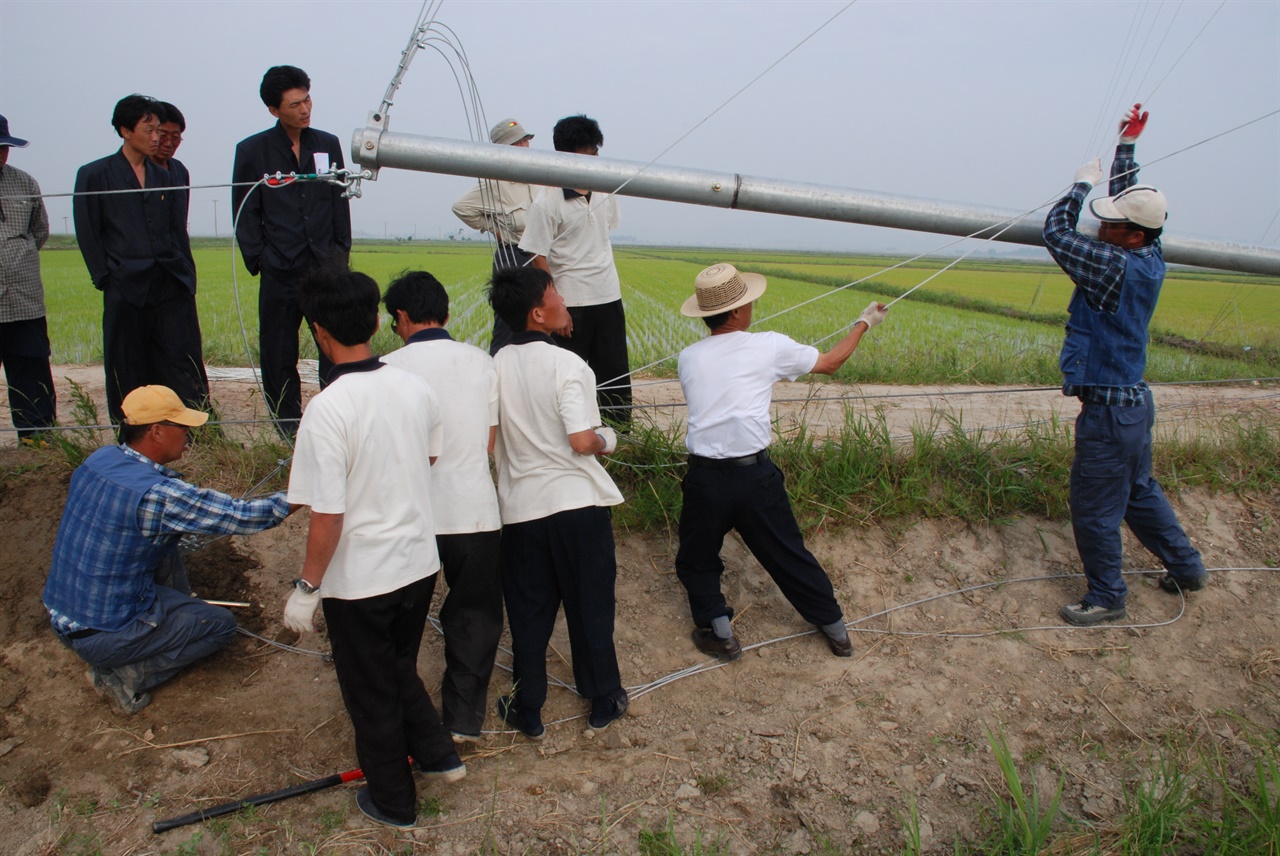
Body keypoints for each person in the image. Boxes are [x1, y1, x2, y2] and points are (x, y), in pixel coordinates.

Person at [282, 264, 463, 829]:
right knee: (395, 669)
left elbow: (326, 515)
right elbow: (429, 457)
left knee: (371, 693)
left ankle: (393, 802)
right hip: (417, 564)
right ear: (378, 323)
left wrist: (307, 588)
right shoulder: (414, 387)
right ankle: (437, 755)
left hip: (361, 578)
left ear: (318, 331)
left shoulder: (327, 409)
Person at [1043, 104, 1208, 626]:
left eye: (1113, 224)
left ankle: (1107, 597)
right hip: (1134, 406)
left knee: (1094, 507)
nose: (1103, 225)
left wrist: (1077, 189)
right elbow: (1133, 202)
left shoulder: (1112, 264)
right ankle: (1186, 567)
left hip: (1110, 417)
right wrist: (1127, 147)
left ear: (1134, 236)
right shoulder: (1149, 255)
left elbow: (1057, 232)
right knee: (1139, 491)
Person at [674, 263, 888, 660]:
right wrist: (864, 323)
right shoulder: (768, 345)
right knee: (788, 553)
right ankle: (836, 630)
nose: (753, 307)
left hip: (705, 478)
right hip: (754, 476)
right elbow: (830, 362)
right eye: (748, 302)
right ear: (738, 312)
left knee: (697, 557)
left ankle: (720, 633)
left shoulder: (688, 357)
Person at [42, 385, 292, 714]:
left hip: (64, 615)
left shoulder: (99, 460)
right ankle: (128, 676)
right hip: (104, 634)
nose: (189, 435)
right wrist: (310, 490)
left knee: (167, 545)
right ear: (157, 432)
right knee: (219, 625)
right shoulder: (157, 495)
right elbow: (247, 516)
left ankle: (162, 622)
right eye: (182, 427)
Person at [488, 265, 628, 739]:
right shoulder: (569, 365)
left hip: (522, 511)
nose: (563, 299)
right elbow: (581, 439)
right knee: (590, 605)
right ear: (537, 313)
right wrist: (609, 438)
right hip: (577, 508)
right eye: (555, 293)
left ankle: (528, 707)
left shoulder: (495, 365)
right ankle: (603, 697)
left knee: (528, 614)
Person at [381, 270, 503, 744]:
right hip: (473, 511)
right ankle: (463, 721)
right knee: (474, 616)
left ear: (401, 318)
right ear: (448, 314)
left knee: (399, 623)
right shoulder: (481, 362)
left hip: (409, 514)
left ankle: (399, 719)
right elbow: (489, 440)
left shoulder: (387, 368)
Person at [232, 65, 352, 437]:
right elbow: (245, 210)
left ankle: (337, 423)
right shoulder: (252, 151)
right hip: (279, 269)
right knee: (278, 352)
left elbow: (339, 200)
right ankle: (288, 430)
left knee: (336, 348)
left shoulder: (327, 143)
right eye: (295, 104)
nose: (305, 109)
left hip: (325, 268)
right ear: (274, 110)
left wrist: (339, 253)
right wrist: (260, 258)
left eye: (307, 100)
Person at [74, 94, 208, 425]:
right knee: (127, 364)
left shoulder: (166, 177)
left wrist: (185, 276)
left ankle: (189, 430)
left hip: (169, 283)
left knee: (179, 360)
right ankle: (131, 433)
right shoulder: (95, 175)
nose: (155, 138)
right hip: (125, 285)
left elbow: (177, 230)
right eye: (148, 130)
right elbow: (88, 231)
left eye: (157, 130)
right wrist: (105, 277)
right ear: (124, 130)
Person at [518, 114, 631, 427]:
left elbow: (605, 230)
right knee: (571, 380)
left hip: (609, 296)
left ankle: (620, 442)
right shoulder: (547, 200)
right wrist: (559, 307)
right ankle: (574, 442)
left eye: (595, 155)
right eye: (585, 156)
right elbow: (536, 255)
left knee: (615, 378)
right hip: (573, 307)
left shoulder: (606, 188)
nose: (593, 162)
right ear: (564, 157)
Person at [451, 117, 538, 355]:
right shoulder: (493, 182)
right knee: (508, 320)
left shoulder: (540, 174)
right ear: (502, 149)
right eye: (516, 143)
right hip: (513, 256)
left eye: (524, 141)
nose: (523, 147)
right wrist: (494, 228)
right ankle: (498, 370)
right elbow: (461, 208)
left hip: (542, 255)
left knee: (541, 317)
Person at [0, 114, 56, 439]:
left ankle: (39, 443)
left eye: (5, 148)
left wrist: (13, 259)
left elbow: (39, 232)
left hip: (25, 302)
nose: (2, 154)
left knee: (32, 375)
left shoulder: (24, 182)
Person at [150, 101, 189, 221]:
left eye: (175, 137)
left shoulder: (180, 170)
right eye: (163, 136)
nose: (168, 143)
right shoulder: (137, 169)